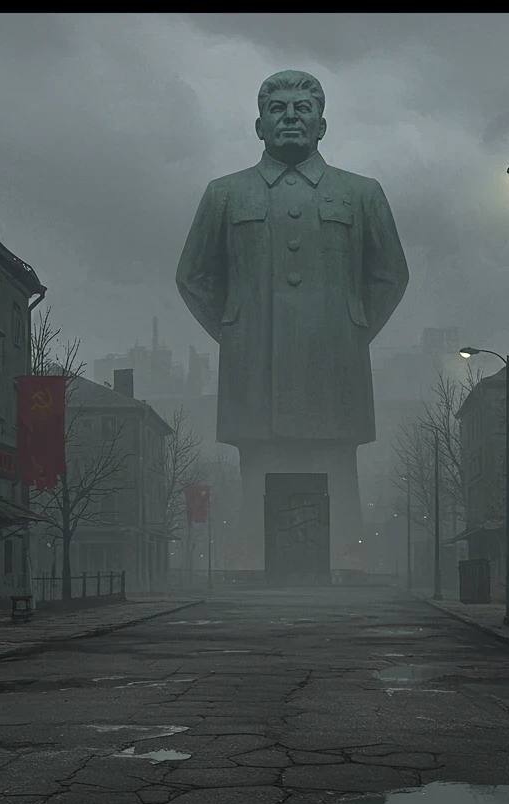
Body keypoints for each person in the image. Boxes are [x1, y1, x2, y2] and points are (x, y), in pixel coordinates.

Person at [176, 70, 410, 568]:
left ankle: (345, 560)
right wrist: (236, 333)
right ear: (258, 126)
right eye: (277, 109)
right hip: (254, 376)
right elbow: (193, 277)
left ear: (322, 126)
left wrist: (353, 332)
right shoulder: (224, 194)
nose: (289, 118)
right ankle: (254, 562)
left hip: (334, 371)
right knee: (258, 470)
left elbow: (390, 275)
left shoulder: (362, 193)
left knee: (335, 471)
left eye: (302, 109)